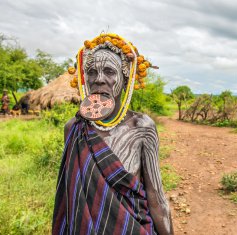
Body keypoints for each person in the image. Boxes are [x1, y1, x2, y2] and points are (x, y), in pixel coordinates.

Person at [52, 33, 174, 235]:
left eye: (109, 71)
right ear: (84, 79)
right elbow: (70, 197)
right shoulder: (74, 128)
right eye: (91, 72)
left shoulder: (142, 127)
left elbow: (157, 198)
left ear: (126, 79)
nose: (99, 79)